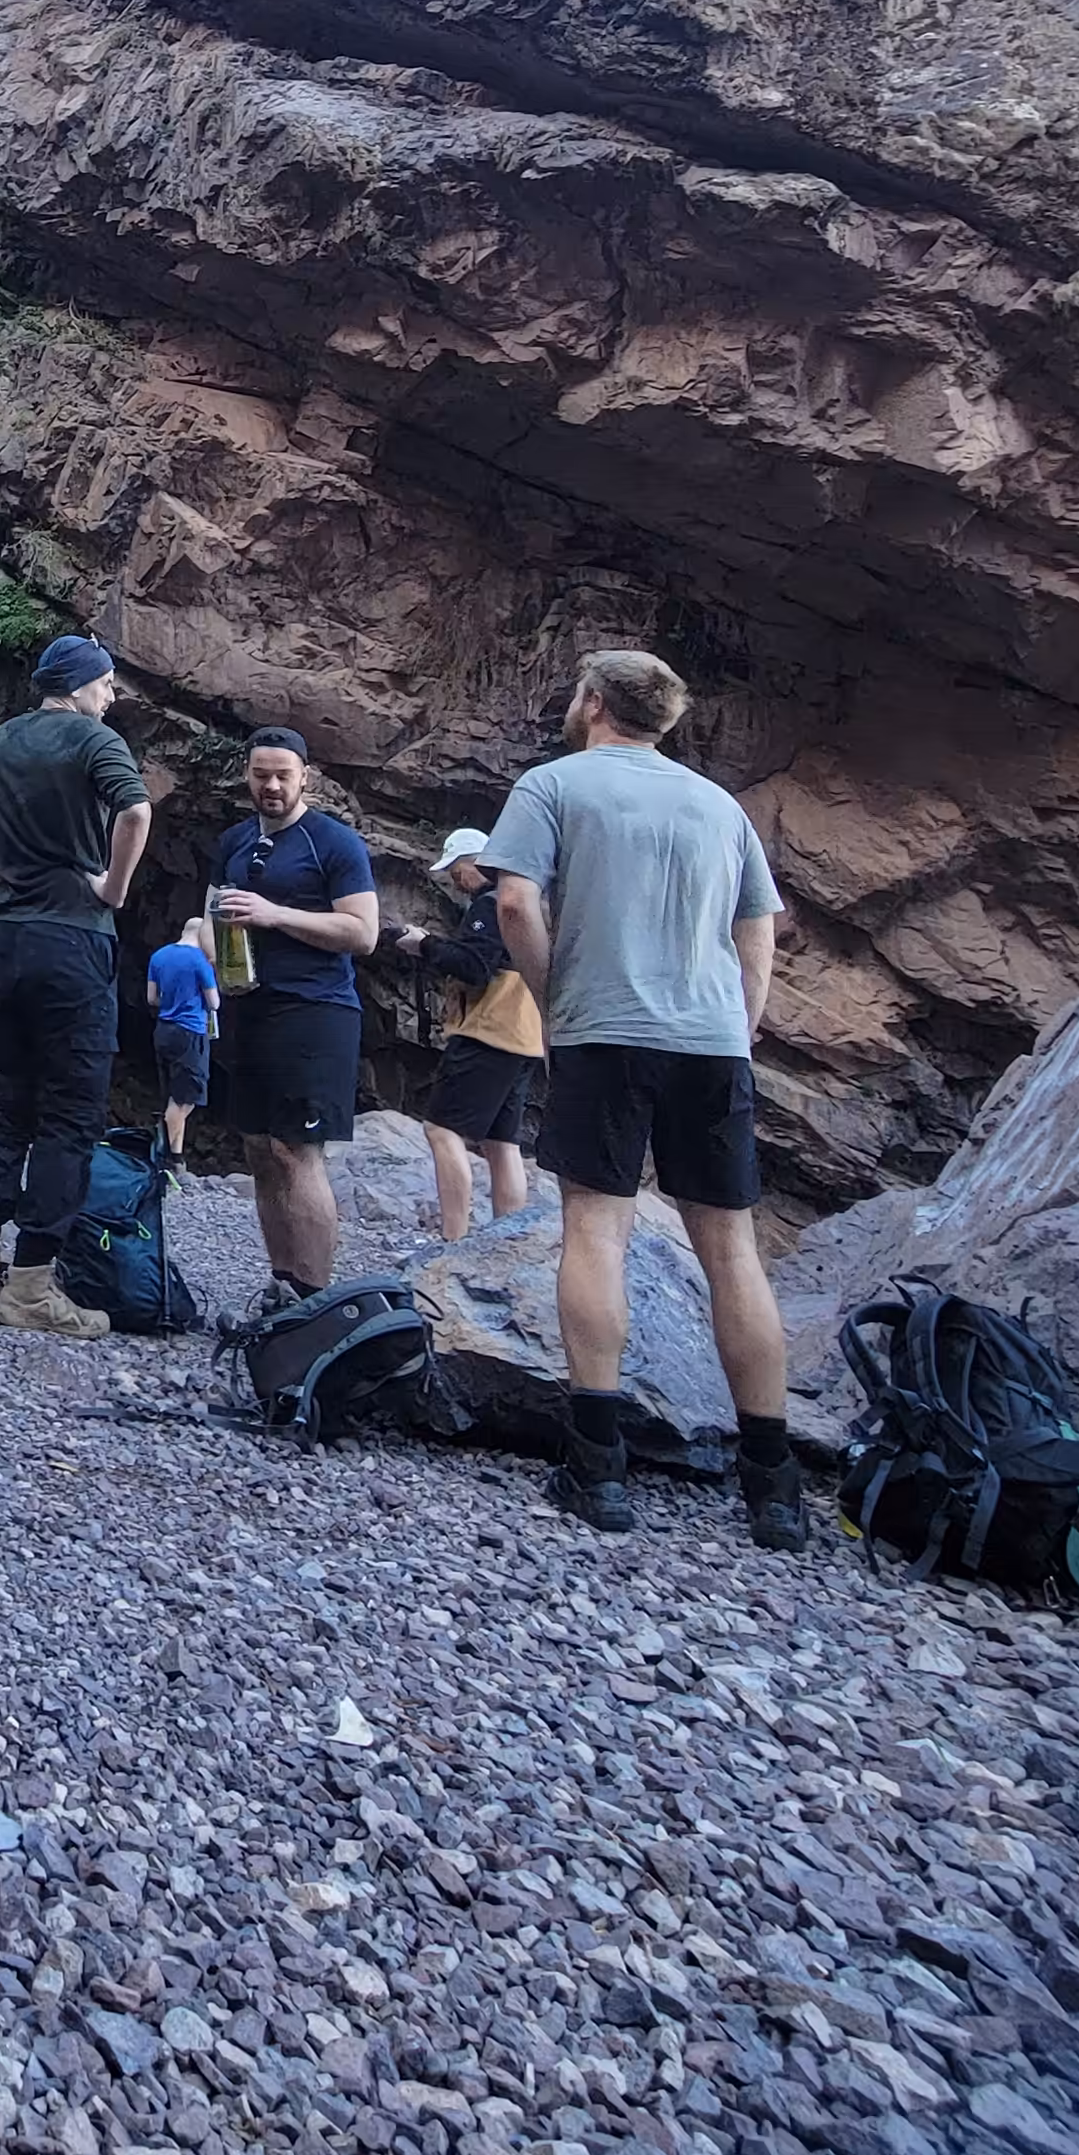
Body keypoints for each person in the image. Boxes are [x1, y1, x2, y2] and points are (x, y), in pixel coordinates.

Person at [478, 645, 806, 1551]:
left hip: (604, 1031)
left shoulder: (554, 786)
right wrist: (739, 1024)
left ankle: (598, 1462)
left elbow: (512, 902)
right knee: (732, 1249)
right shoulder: (718, 806)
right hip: (711, 1042)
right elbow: (756, 929)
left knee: (595, 1229)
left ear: (591, 702)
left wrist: (554, 1005)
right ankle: (773, 1485)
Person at [0, 634, 152, 1337]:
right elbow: (135, 812)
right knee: (70, 1119)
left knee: (9, 1109)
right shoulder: (91, 740)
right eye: (106, 686)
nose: (110, 699)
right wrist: (113, 887)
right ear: (77, 687)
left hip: (6, 942)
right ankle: (33, 1286)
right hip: (73, 943)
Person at [206, 728, 379, 1298]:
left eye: (283, 774)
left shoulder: (333, 843)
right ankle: (282, 1285)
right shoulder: (233, 840)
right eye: (261, 774)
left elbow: (363, 932)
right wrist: (210, 956)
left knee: (297, 1150)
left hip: (315, 1010)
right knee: (259, 1148)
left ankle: (315, 1298)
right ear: (246, 775)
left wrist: (276, 915)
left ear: (306, 775)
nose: (272, 785)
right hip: (249, 1008)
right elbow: (213, 914)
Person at [389, 830, 541, 1239]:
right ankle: (507, 1239)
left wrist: (426, 945)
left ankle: (453, 1238)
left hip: (490, 1032)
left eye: (458, 870)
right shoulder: (528, 901)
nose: (456, 880)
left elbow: (475, 966)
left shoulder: (489, 906)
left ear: (479, 862)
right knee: (501, 1142)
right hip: (525, 1035)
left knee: (441, 1129)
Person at [146, 914, 220, 1175]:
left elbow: (152, 998)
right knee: (185, 1099)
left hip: (164, 1031)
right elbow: (214, 1003)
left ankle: (177, 1160)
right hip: (190, 1032)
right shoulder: (200, 962)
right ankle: (163, 1157)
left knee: (173, 1096)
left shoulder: (159, 956)